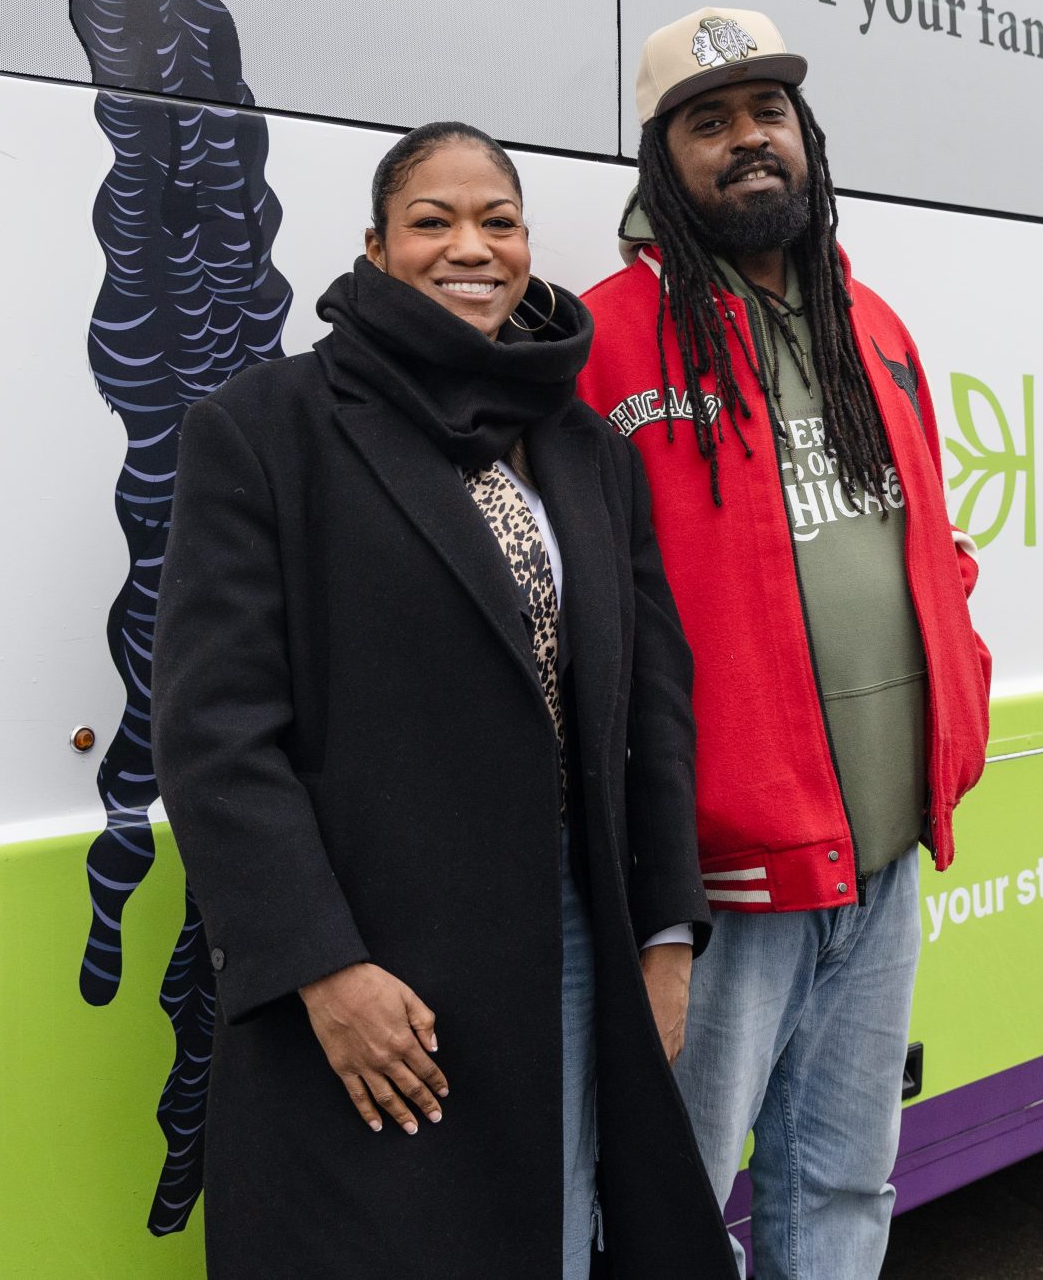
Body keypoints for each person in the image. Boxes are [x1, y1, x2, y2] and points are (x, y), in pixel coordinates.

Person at [152, 122, 734, 1279]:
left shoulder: (586, 449)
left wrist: (666, 937)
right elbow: (215, 736)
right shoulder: (265, 431)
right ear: (375, 249)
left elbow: (651, 706)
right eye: (432, 221)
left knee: (554, 1239)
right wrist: (323, 969)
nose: (470, 247)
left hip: (572, 937)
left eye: (497, 221)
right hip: (377, 963)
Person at [578, 8, 992, 1278]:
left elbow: (931, 544)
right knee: (676, 1200)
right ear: (662, 160)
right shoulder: (603, 340)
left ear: (805, 134)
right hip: (721, 881)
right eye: (708, 122)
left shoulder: (873, 325)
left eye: (768, 113)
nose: (747, 139)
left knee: (844, 1183)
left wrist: (959, 692)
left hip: (881, 856)